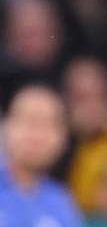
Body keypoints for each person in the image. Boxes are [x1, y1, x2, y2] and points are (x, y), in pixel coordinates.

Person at [0, 85, 84, 227]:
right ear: (6, 125)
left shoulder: (61, 201)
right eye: (30, 121)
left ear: (64, 138)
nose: (38, 134)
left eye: (48, 124)